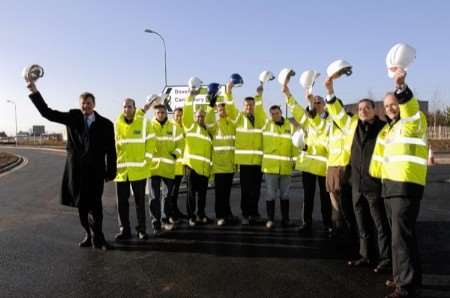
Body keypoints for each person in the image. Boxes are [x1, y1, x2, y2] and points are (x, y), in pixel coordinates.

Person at [26, 78, 116, 250]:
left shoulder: (106, 124)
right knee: (82, 207)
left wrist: (111, 171)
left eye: (89, 103)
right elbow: (48, 113)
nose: (86, 106)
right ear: (80, 104)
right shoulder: (73, 118)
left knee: (96, 206)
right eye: (83, 104)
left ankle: (99, 238)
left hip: (96, 172)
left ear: (94, 104)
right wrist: (33, 90)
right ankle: (88, 235)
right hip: (77, 172)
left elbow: (111, 150)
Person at [369, 69, 427, 298]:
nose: (390, 108)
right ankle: (406, 277)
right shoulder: (389, 129)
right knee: (402, 236)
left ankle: (406, 287)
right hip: (390, 186)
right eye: (386, 105)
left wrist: (401, 87)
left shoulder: (413, 120)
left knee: (400, 238)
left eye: (394, 103)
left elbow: (411, 111)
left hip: (406, 185)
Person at [324, 76, 391, 273]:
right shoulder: (352, 125)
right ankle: (366, 256)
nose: (363, 111)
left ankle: (386, 259)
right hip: (357, 185)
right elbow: (336, 112)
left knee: (380, 225)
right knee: (362, 224)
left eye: (366, 108)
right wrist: (330, 91)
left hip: (375, 185)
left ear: (374, 110)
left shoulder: (383, 129)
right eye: (360, 109)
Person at [282, 84, 332, 236]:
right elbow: (294, 107)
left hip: (324, 165)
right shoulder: (307, 117)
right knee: (307, 196)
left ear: (324, 105)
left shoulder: (331, 121)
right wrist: (287, 93)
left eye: (319, 102)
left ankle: (327, 224)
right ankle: (307, 223)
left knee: (325, 198)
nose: (316, 104)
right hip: (308, 165)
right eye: (314, 102)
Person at [225, 82, 267, 224]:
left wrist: (259, 95)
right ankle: (245, 214)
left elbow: (261, 107)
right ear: (243, 106)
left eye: (251, 105)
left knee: (256, 190)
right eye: (247, 105)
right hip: (244, 162)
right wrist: (228, 91)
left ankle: (254, 213)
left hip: (257, 161)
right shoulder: (239, 118)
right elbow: (230, 106)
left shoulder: (260, 119)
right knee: (246, 190)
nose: (249, 107)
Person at [114, 98, 154, 241]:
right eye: (124, 107)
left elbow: (151, 142)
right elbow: (115, 147)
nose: (127, 109)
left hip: (139, 170)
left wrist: (146, 161)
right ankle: (124, 230)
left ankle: (142, 230)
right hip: (122, 172)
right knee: (122, 204)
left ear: (134, 108)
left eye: (129, 106)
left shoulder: (144, 122)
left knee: (139, 203)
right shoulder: (117, 124)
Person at [261, 100, 297, 229]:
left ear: (281, 113)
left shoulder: (290, 127)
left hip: (285, 168)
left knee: (285, 195)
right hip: (270, 168)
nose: (275, 116)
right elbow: (260, 112)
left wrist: (295, 160)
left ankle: (285, 220)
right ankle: (270, 219)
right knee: (270, 194)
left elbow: (295, 146)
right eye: (272, 114)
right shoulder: (266, 125)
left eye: (277, 113)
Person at [149, 104, 184, 233]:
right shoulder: (149, 127)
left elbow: (181, 143)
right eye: (158, 112)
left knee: (167, 197)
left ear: (166, 113)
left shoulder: (174, 127)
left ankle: (164, 221)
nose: (161, 114)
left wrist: (175, 154)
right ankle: (156, 224)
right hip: (153, 168)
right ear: (155, 113)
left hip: (169, 167)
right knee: (154, 198)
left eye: (163, 112)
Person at [183, 89, 213, 226]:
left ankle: (201, 214)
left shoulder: (207, 133)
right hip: (191, 167)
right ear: (195, 117)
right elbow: (187, 115)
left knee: (202, 194)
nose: (200, 118)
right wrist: (190, 97)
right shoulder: (190, 127)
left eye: (202, 116)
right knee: (191, 195)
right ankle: (191, 216)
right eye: (198, 116)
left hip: (204, 169)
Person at [205, 100, 237, 226]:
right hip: (218, 166)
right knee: (220, 193)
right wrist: (210, 107)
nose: (222, 111)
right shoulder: (215, 125)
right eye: (219, 109)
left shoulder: (231, 124)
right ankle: (220, 216)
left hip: (230, 165)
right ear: (217, 111)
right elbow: (208, 121)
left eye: (223, 109)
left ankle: (228, 213)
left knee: (227, 192)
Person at [169, 107, 189, 221]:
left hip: (180, 166)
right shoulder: (171, 126)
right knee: (171, 192)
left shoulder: (182, 127)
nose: (179, 117)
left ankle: (175, 211)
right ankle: (170, 214)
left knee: (175, 192)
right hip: (172, 166)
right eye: (177, 115)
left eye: (181, 115)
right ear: (173, 116)